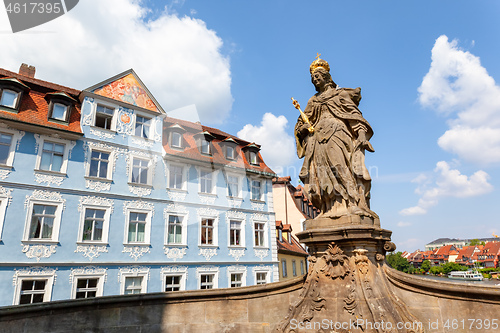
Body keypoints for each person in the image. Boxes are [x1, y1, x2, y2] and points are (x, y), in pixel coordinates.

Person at [294, 56, 377, 220]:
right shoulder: (313, 100)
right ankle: (327, 209)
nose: (315, 80)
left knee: (340, 166)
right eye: (313, 79)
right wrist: (303, 128)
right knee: (320, 174)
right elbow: (301, 123)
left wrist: (361, 134)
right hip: (317, 139)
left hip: (337, 134)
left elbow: (354, 116)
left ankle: (352, 203)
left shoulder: (339, 95)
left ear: (326, 77)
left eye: (318, 77)